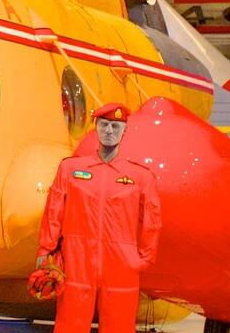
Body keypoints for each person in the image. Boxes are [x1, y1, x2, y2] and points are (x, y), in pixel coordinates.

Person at [38, 103, 161, 332]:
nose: (109, 131)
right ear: (96, 127)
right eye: (104, 125)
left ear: (125, 130)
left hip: (122, 262)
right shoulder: (70, 169)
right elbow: (53, 212)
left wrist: (144, 258)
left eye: (116, 126)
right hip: (77, 257)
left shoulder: (141, 177)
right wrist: (46, 251)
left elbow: (152, 221)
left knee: (119, 323)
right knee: (70, 322)